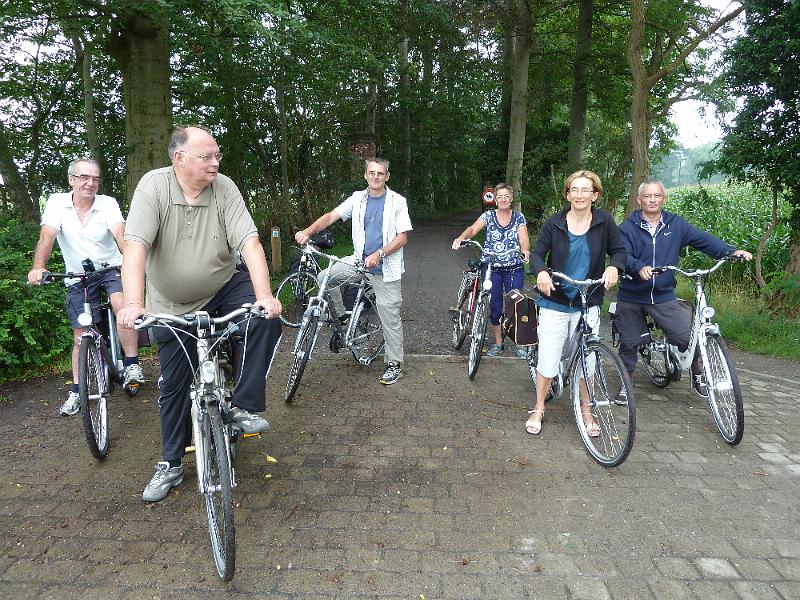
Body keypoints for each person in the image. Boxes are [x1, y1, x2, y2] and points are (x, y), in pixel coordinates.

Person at [117, 125, 283, 502]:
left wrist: (264, 295)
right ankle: (171, 465)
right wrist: (132, 302)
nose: (215, 162)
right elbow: (135, 248)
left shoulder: (224, 188)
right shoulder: (154, 187)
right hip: (171, 303)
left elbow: (250, 243)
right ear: (179, 158)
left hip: (224, 285)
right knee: (173, 385)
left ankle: (243, 404)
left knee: (263, 320)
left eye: (217, 155)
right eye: (206, 156)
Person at [27, 158, 145, 416]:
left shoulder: (108, 204)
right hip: (77, 275)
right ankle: (77, 390)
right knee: (81, 335)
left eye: (95, 178)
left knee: (122, 307)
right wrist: (39, 266)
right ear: (71, 180)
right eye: (83, 177)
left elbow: (121, 235)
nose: (90, 183)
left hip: (110, 268)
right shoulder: (57, 203)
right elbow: (47, 236)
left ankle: (132, 364)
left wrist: (132, 263)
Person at [615, 180, 752, 397]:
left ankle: (698, 373)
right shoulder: (627, 227)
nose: (652, 200)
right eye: (647, 196)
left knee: (686, 337)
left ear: (663, 199)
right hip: (632, 294)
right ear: (640, 200)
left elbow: (703, 240)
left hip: (663, 295)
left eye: (657, 196)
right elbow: (622, 254)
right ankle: (626, 383)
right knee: (629, 343)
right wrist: (638, 266)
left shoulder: (675, 224)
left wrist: (730, 251)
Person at [294, 158, 412, 385]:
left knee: (389, 315)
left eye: (380, 173)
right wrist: (308, 231)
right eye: (371, 173)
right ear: (365, 175)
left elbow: (402, 237)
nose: (375, 177)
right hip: (358, 261)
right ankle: (342, 318)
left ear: (387, 176)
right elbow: (331, 216)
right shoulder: (358, 199)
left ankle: (394, 363)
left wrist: (380, 254)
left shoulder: (397, 201)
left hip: (384, 268)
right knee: (324, 278)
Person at [527, 170, 626, 436]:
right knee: (548, 358)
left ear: (595, 195)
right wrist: (542, 272)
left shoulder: (604, 221)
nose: (580, 195)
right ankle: (538, 407)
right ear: (567, 194)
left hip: (588, 300)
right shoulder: (554, 222)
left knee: (588, 360)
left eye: (586, 190)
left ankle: (586, 410)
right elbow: (537, 253)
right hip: (556, 301)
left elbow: (619, 250)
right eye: (575, 189)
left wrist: (615, 267)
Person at [452, 182, 530, 358]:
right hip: (491, 267)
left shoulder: (519, 217)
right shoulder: (488, 216)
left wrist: (525, 250)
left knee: (515, 305)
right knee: (495, 306)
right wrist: (461, 238)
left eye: (506, 196)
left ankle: (519, 343)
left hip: (513, 267)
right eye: (500, 196)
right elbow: (473, 229)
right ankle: (498, 343)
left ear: (511, 198)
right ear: (495, 199)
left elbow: (523, 237)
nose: (503, 199)